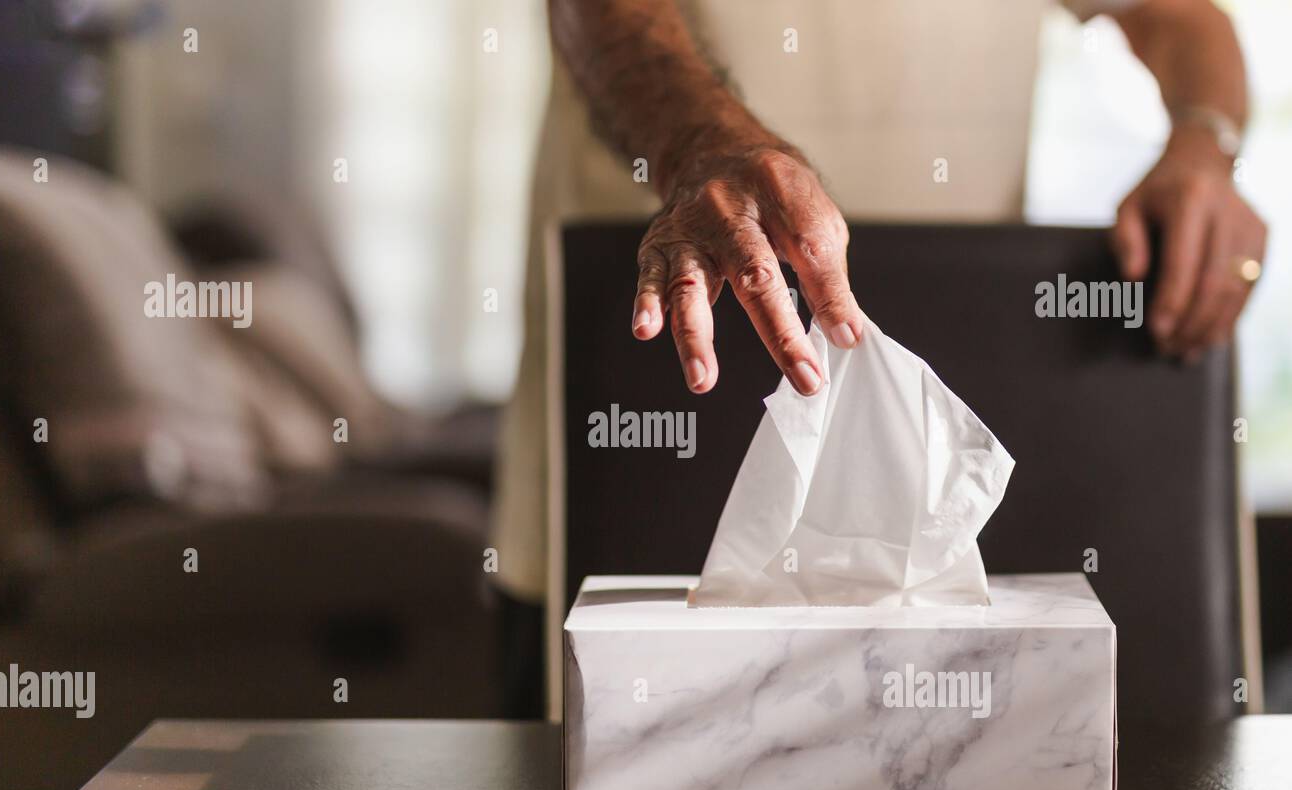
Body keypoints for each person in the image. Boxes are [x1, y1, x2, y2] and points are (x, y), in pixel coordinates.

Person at [493, 0, 1267, 717]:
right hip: (655, 377)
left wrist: (1205, 141)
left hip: (956, 387)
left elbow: (1171, 15)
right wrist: (701, 144)